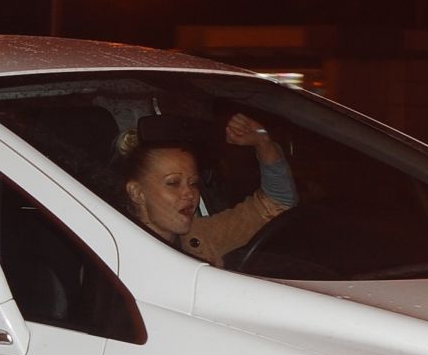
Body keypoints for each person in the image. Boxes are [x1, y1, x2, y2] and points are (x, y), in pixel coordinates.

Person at [116, 113, 296, 265]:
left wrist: (263, 142)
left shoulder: (201, 236)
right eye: (173, 183)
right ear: (137, 193)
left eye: (194, 183)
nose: (190, 193)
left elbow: (276, 204)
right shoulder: (112, 253)